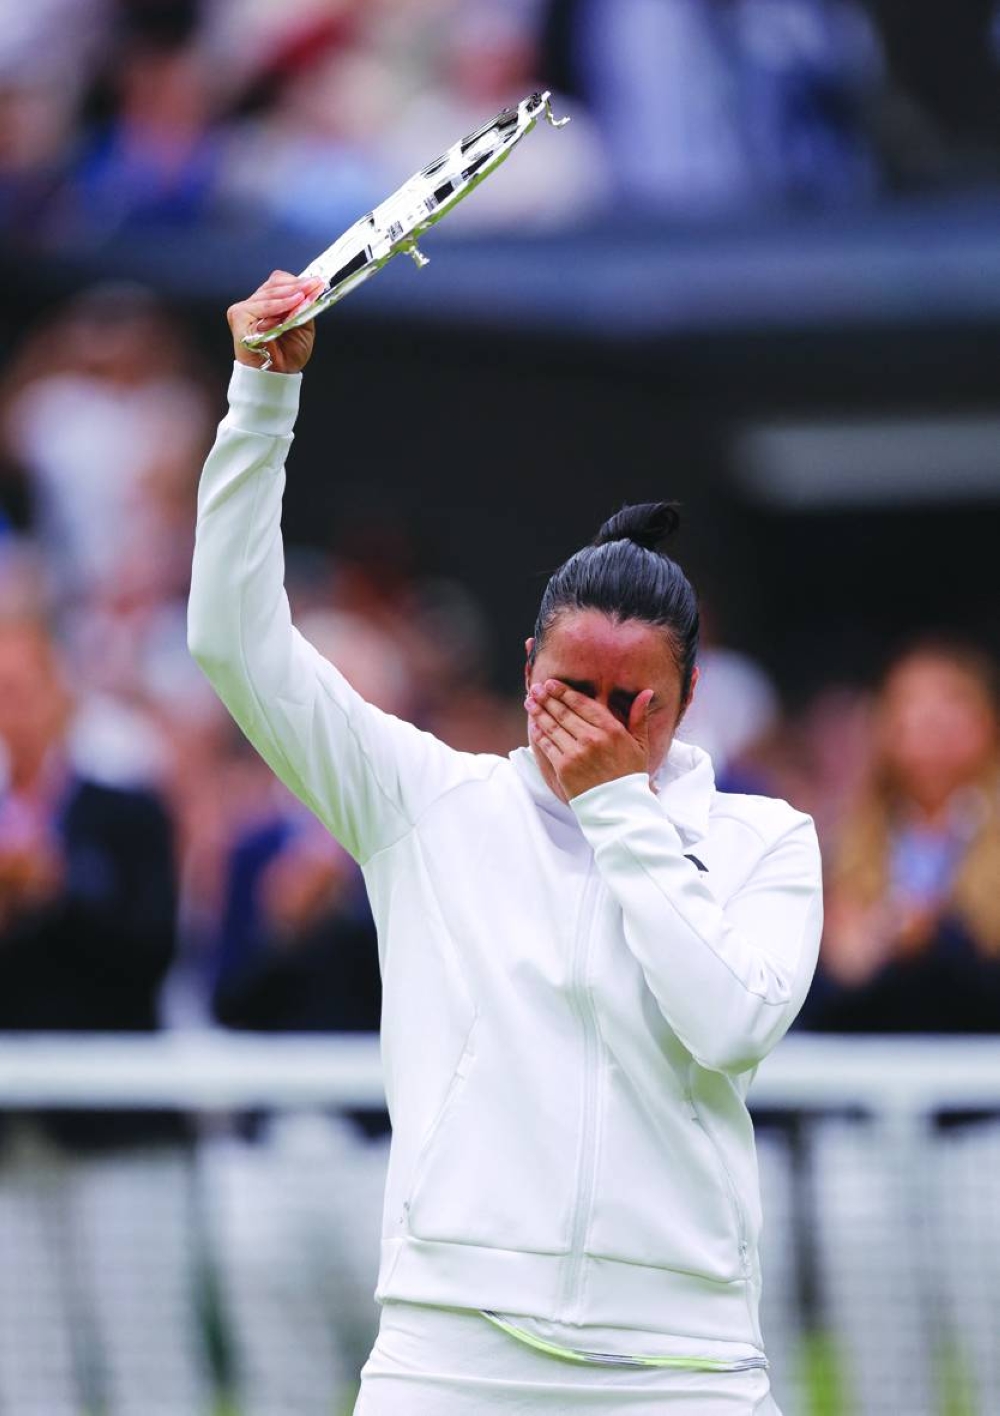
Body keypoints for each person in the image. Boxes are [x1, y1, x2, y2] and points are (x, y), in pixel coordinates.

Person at [188, 271, 823, 1414]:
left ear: (687, 696)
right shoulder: (423, 802)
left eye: (638, 702)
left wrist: (623, 810)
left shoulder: (766, 841)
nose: (601, 720)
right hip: (449, 1358)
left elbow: (727, 1026)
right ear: (528, 664)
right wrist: (259, 405)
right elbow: (234, 641)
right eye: (574, 686)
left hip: (686, 1369)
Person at [0, 613, 210, 1415]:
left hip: (117, 1134)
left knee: (146, 1357)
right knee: (26, 1371)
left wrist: (57, 889)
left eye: (22, 690)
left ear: (60, 699)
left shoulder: (126, 812)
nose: (9, 709)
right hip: (11, 1144)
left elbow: (151, 953)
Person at [802, 640, 1000, 1416]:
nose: (927, 726)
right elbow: (817, 1013)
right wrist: (856, 959)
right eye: (908, 708)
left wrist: (935, 938)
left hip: (982, 1139)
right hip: (866, 1143)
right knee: (883, 1371)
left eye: (947, 705)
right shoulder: (846, 848)